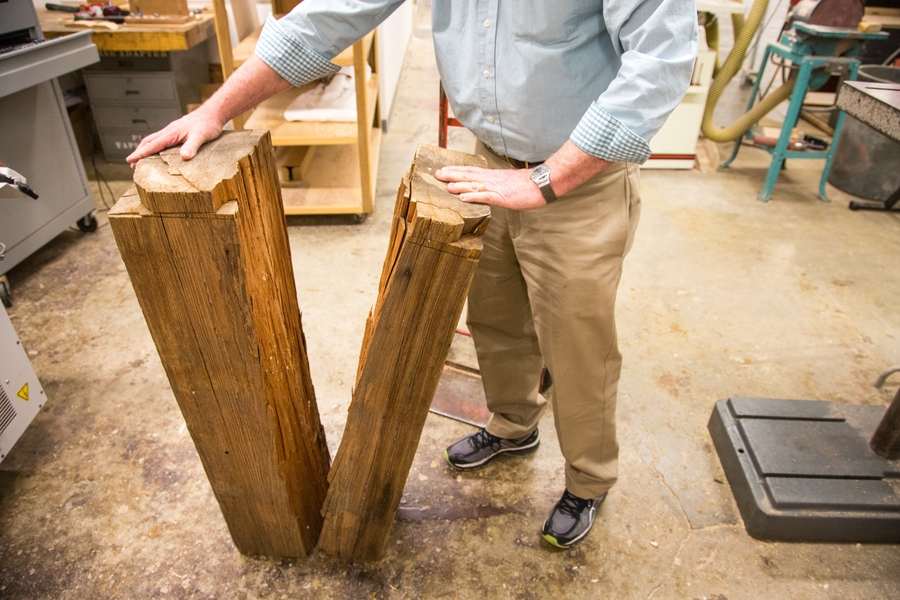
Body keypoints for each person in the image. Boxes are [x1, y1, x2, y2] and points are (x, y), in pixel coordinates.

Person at [127, 0, 698, 549]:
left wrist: (546, 180)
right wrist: (215, 110)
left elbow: (662, 60)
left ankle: (589, 481)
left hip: (579, 179)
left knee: (576, 344)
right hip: (489, 165)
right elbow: (324, 18)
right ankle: (514, 424)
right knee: (495, 316)